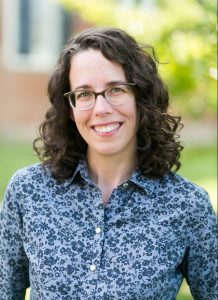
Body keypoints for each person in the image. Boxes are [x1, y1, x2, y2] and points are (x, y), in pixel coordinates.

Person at [0, 27, 217, 300]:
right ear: (70, 108)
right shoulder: (28, 191)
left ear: (141, 97)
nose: (100, 109)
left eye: (115, 89)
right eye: (84, 94)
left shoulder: (187, 206)